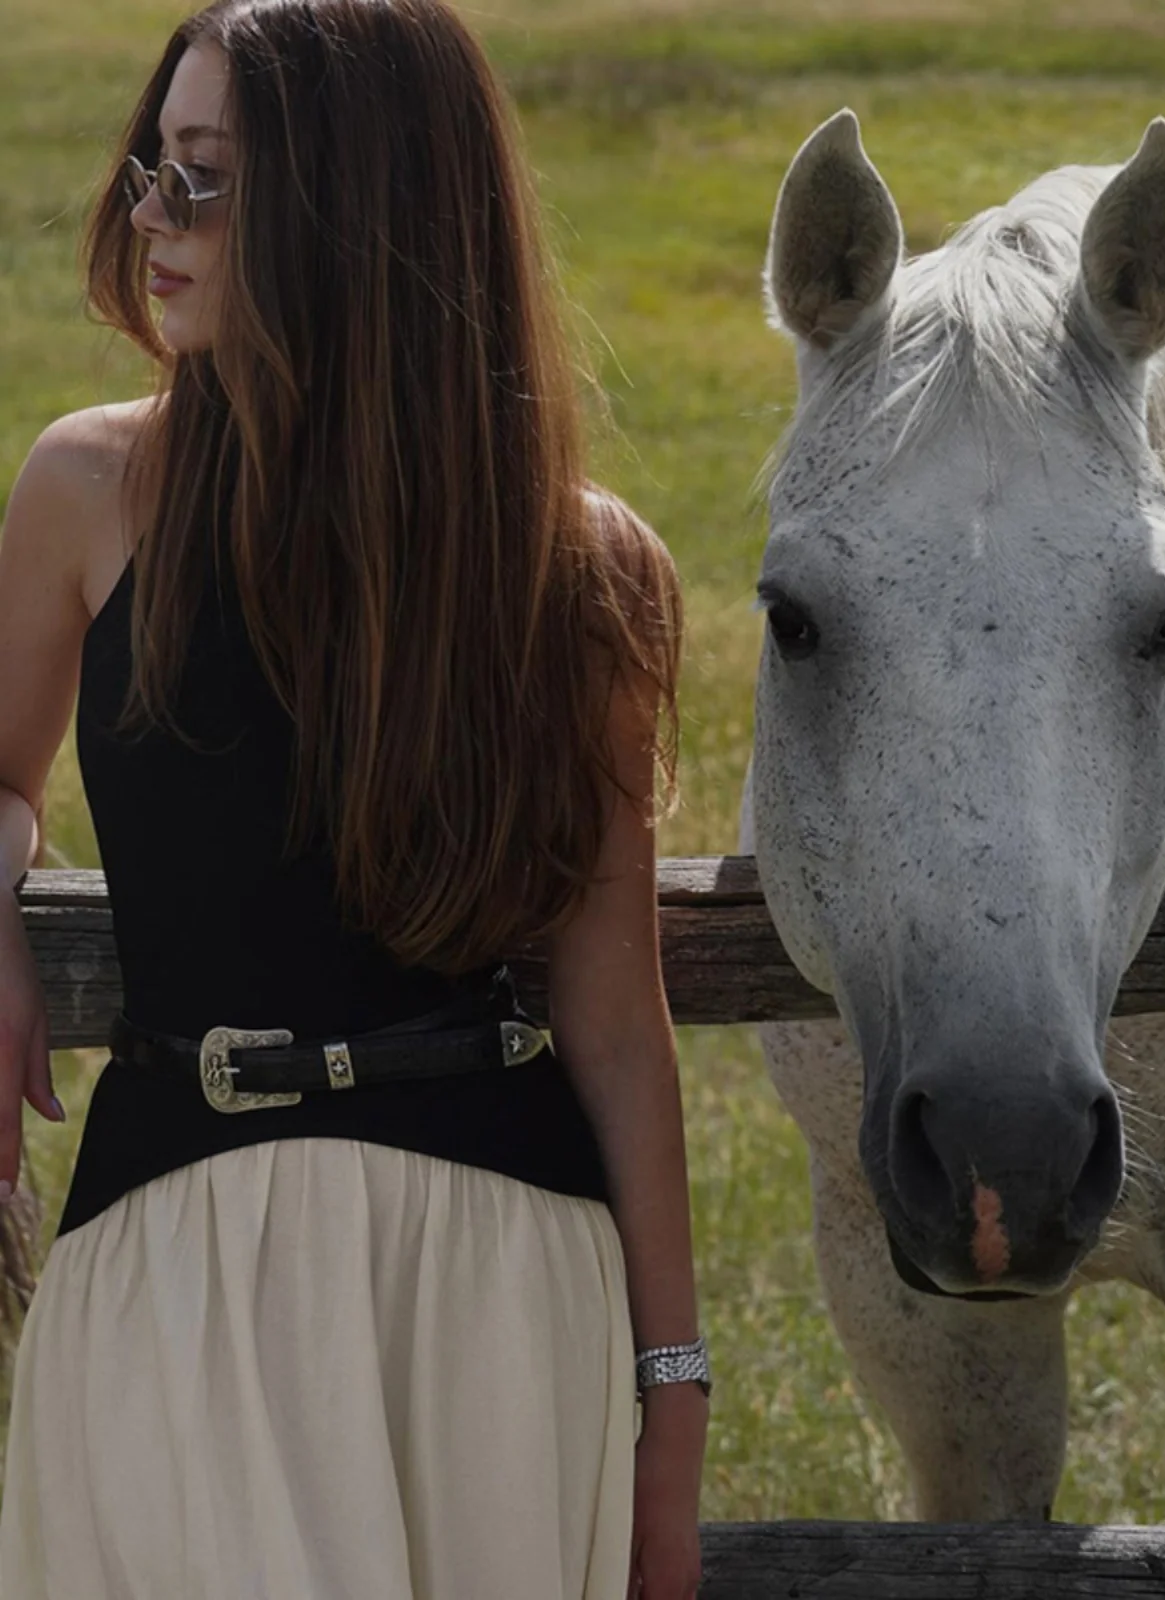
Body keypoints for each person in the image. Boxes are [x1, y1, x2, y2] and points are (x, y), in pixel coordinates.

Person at [0, 1, 707, 1594]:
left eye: (208, 179)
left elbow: (613, 1014)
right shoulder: (87, 495)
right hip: (173, 1262)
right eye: (148, 171)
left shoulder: (584, 568)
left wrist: (675, 1401)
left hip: (499, 1295)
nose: (151, 220)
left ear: (358, 213)